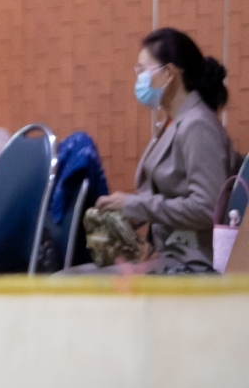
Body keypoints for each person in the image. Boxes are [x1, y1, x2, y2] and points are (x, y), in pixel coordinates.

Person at [92, 27, 232, 273]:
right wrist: (128, 214)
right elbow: (166, 198)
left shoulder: (198, 125)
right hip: (166, 255)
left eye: (142, 71)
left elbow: (207, 208)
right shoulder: (173, 122)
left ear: (168, 74)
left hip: (192, 263)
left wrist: (135, 205)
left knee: (67, 283)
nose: (138, 80)